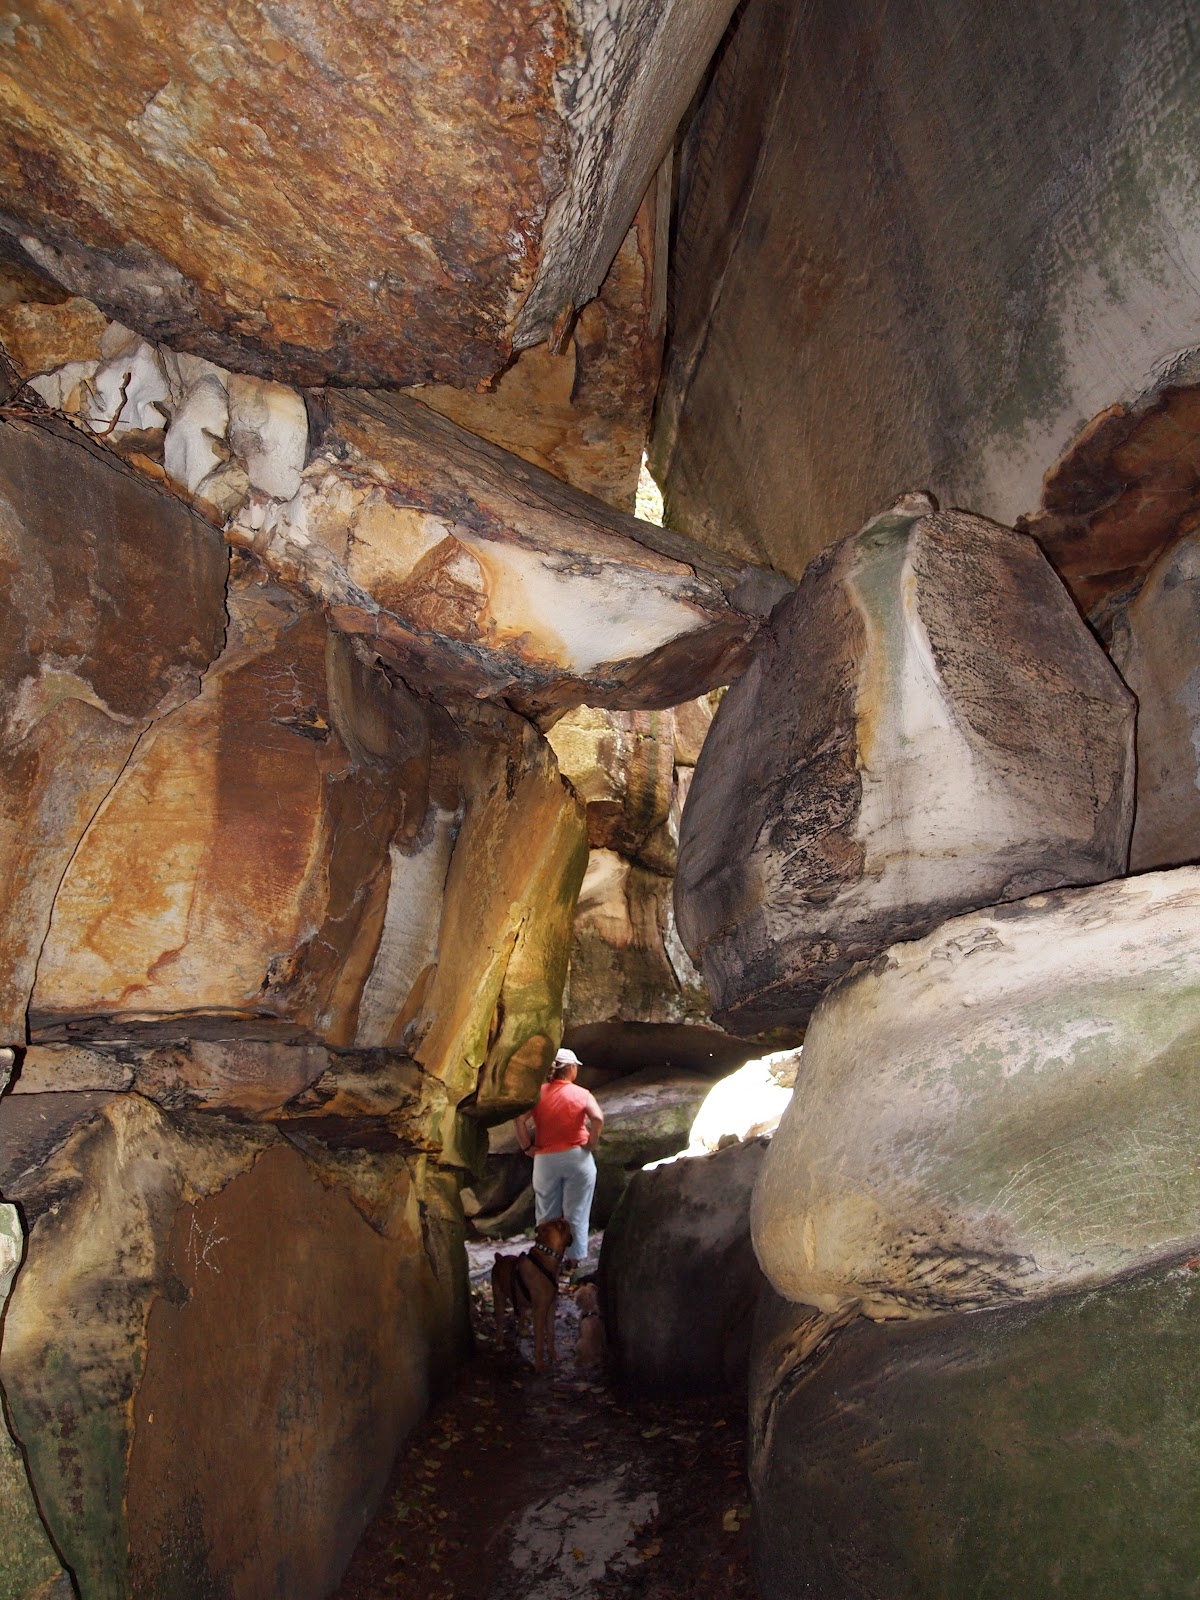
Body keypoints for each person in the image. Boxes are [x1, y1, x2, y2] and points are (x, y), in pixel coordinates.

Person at [515, 1047, 604, 1270]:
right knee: (577, 1212)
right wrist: (592, 1142)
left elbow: (519, 1120)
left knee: (546, 1214)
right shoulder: (581, 1093)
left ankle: (546, 1262)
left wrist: (527, 1147)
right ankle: (574, 1261)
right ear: (571, 1069)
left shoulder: (538, 1094)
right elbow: (598, 1118)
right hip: (577, 1158)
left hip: (545, 1160)